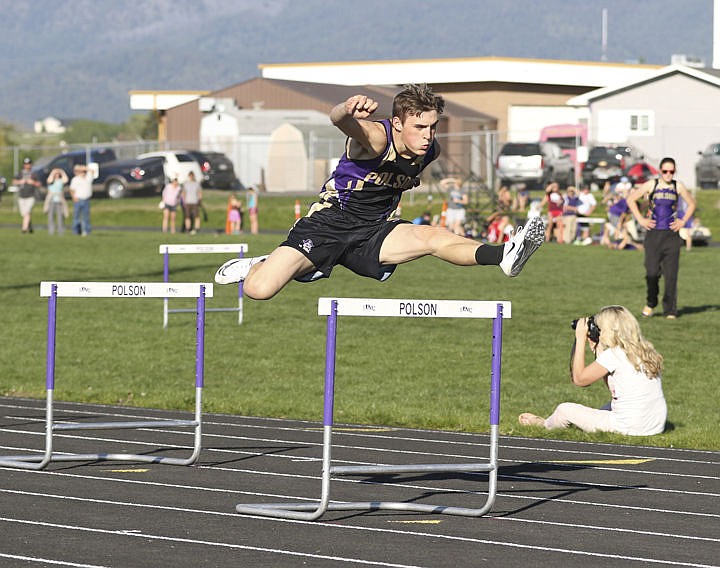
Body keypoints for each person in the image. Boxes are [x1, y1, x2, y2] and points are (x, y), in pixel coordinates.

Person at [215, 84, 545, 299]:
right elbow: (339, 121)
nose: (428, 135)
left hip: (376, 229)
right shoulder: (376, 138)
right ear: (398, 123)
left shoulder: (431, 151)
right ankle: (262, 262)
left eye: (432, 127)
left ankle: (503, 254)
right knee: (259, 290)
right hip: (331, 222)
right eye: (419, 127)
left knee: (431, 237)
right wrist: (346, 109)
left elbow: (400, 176)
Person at [518, 305, 667, 436]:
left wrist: (580, 340)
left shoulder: (614, 354)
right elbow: (615, 389)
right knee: (607, 407)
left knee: (564, 409)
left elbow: (579, 379)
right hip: (655, 424)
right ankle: (577, 424)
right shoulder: (645, 350)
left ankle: (544, 425)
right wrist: (597, 349)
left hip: (630, 426)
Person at [626, 157, 696, 319]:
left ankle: (670, 309)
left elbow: (692, 203)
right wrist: (641, 219)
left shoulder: (678, 186)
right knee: (651, 272)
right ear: (660, 171)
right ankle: (651, 302)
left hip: (671, 236)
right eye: (665, 171)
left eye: (671, 171)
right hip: (653, 235)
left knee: (671, 275)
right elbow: (631, 199)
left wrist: (683, 221)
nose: (668, 174)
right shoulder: (652, 184)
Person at [13, 157, 41, 233]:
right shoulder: (20, 173)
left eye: (28, 164)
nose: (27, 165)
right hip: (21, 196)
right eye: (26, 164)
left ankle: (24, 229)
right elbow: (14, 181)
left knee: (27, 212)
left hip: (31, 196)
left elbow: (39, 184)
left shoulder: (34, 174)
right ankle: (30, 226)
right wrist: (20, 182)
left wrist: (33, 182)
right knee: (24, 214)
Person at [69, 164, 93, 236]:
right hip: (78, 199)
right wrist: (74, 197)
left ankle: (86, 231)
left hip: (86, 200)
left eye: (83, 171)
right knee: (76, 216)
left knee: (86, 216)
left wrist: (84, 168)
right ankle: (75, 231)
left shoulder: (88, 178)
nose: (83, 172)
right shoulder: (75, 179)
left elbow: (92, 171)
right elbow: (72, 189)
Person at [44, 168, 69, 235]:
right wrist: (53, 172)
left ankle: (60, 232)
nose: (57, 174)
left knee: (60, 217)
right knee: (50, 217)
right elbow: (49, 180)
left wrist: (62, 171)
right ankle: (51, 231)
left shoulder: (61, 181)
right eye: (56, 173)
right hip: (51, 200)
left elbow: (66, 179)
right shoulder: (51, 181)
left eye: (58, 174)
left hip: (59, 200)